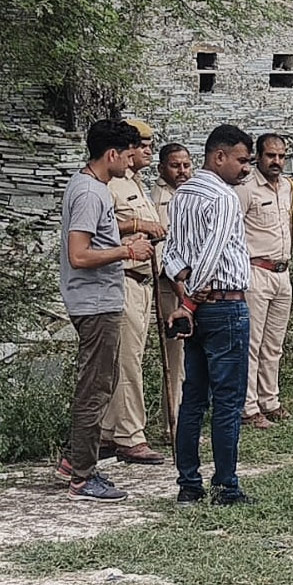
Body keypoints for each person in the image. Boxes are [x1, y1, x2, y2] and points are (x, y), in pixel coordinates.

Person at [58, 119, 154, 501]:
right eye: (128, 157)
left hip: (100, 298)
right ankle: (82, 476)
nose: (131, 165)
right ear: (111, 154)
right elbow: (79, 254)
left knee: (100, 382)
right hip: (95, 303)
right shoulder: (90, 193)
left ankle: (73, 460)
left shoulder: (91, 188)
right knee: (94, 387)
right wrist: (128, 251)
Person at [163, 124, 255, 506]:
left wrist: (182, 284)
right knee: (228, 401)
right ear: (219, 156)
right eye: (242, 160)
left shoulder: (182, 194)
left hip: (197, 307)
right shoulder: (223, 198)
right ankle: (226, 486)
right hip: (223, 305)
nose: (246, 168)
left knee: (193, 399)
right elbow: (212, 253)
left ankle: (189, 484)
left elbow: (171, 253)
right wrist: (193, 297)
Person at [100, 119, 168, 465]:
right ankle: (130, 435)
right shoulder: (108, 185)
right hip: (122, 276)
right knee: (126, 362)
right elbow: (100, 226)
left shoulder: (138, 185)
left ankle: (110, 431)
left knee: (131, 358)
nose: (145, 151)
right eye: (140, 145)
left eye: (149, 145)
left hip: (143, 280)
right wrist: (139, 225)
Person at [235, 133, 293, 430]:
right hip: (255, 271)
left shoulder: (286, 187)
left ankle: (269, 400)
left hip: (281, 272)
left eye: (281, 156)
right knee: (252, 342)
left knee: (274, 344)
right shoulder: (246, 188)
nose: (277, 162)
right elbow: (233, 230)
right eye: (271, 156)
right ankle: (247, 408)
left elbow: (289, 224)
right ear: (258, 157)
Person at [153, 142, 193, 427]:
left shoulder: (187, 195)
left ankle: (188, 416)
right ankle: (174, 422)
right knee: (175, 357)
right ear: (162, 168)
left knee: (190, 357)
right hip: (173, 288)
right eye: (175, 165)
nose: (182, 171)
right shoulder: (161, 200)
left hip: (191, 285)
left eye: (186, 165)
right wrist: (184, 295)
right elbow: (166, 253)